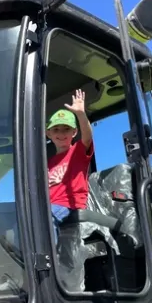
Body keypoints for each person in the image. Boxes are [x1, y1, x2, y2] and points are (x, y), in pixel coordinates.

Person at [46, 89, 94, 242]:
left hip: (69, 206)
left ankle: (48, 261)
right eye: (56, 129)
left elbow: (87, 138)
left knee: (47, 217)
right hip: (51, 205)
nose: (61, 133)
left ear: (74, 132)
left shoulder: (77, 152)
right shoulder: (48, 163)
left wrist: (80, 113)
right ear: (49, 134)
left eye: (66, 129)